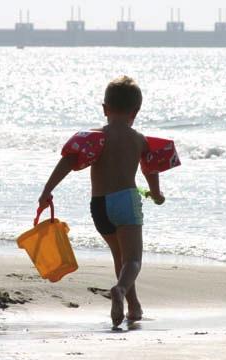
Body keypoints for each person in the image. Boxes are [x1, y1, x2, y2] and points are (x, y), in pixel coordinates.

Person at [38, 76, 174, 328]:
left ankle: (133, 307)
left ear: (105, 109)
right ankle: (121, 290)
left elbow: (68, 161)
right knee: (132, 260)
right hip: (126, 202)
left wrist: (47, 190)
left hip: (99, 205)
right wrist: (156, 194)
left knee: (119, 257)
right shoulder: (139, 139)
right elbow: (150, 169)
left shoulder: (96, 137)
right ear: (136, 112)